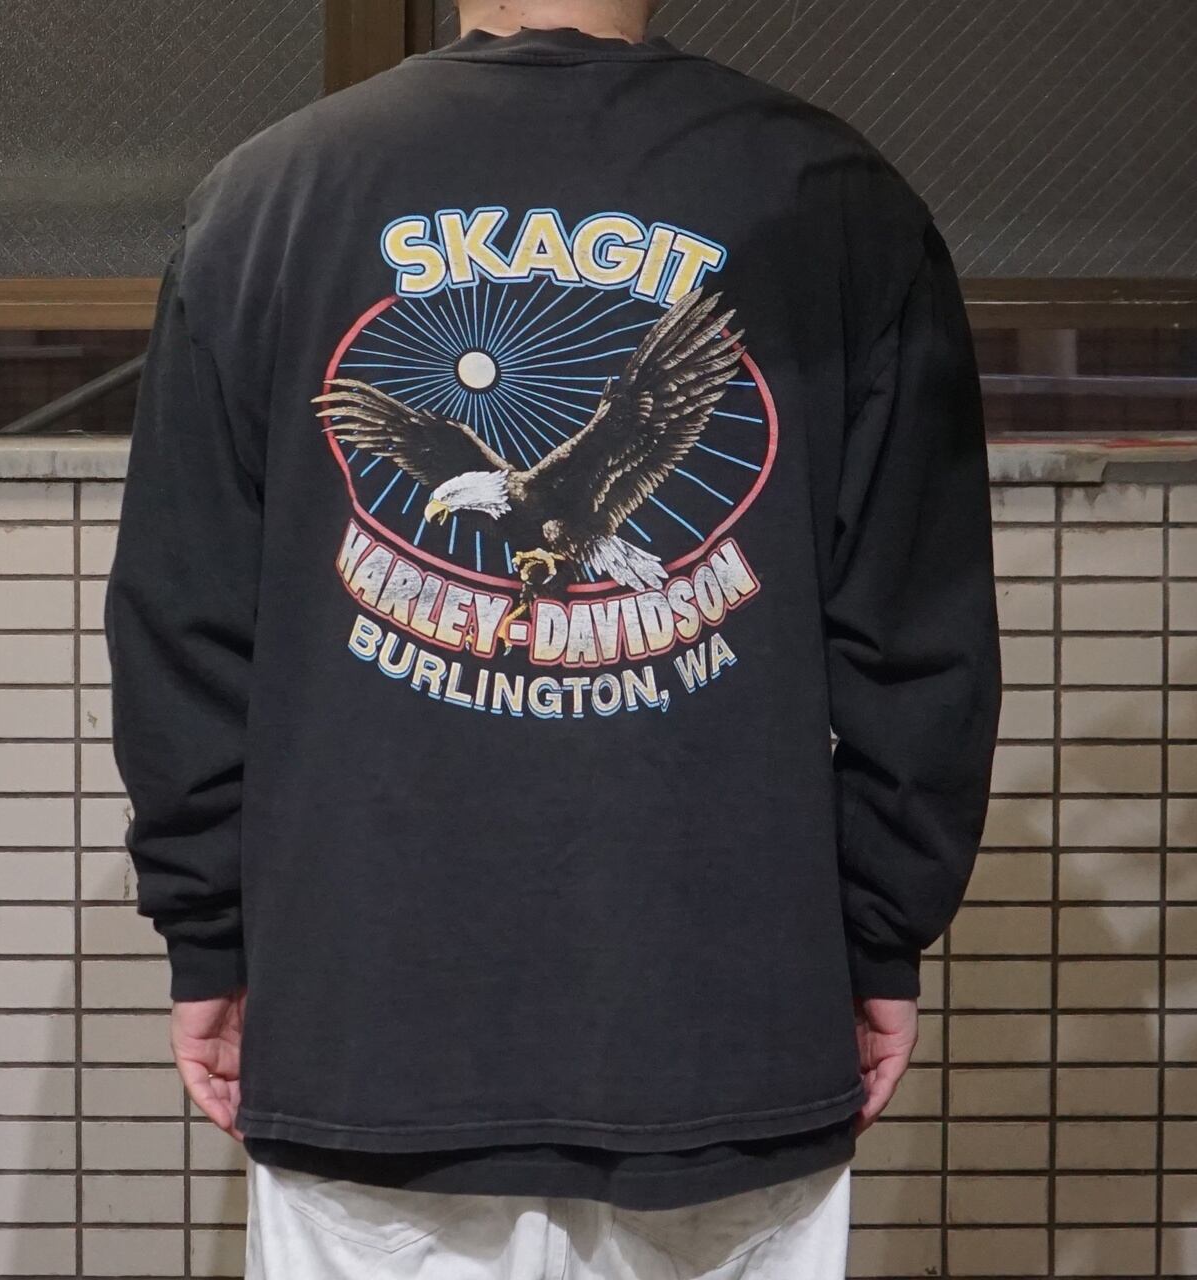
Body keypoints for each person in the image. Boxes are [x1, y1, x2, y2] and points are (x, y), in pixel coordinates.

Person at [104, 0, 1002, 1275]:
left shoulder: (269, 200)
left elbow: (182, 626)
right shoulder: (832, 194)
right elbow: (917, 633)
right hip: (724, 1022)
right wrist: (873, 932)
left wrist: (210, 931)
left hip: (373, 1019)